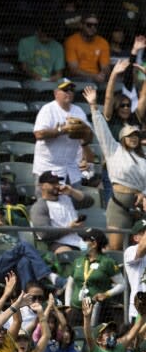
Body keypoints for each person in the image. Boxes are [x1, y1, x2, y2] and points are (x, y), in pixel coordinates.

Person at [85, 85, 146, 250]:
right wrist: (93, 106)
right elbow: (101, 129)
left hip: (140, 207)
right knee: (116, 247)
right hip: (119, 205)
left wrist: (144, 195)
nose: (133, 138)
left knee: (139, 248)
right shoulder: (113, 149)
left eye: (136, 135)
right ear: (122, 138)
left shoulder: (143, 157)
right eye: (129, 135)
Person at [0, 200, 62, 289]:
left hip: (14, 267)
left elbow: (27, 250)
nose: (0, 216)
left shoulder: (13, 230)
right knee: (23, 245)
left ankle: (27, 296)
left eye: (2, 213)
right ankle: (48, 275)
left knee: (24, 261)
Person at [32, 79, 93, 186]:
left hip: (71, 169)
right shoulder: (48, 109)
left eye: (71, 90)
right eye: (65, 90)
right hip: (48, 168)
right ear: (56, 93)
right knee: (48, 201)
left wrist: (85, 131)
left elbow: (89, 137)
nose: (69, 92)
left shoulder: (78, 111)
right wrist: (62, 130)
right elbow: (39, 134)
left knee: (73, 201)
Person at [29, 171, 89, 253]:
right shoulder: (39, 206)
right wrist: (69, 229)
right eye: (52, 183)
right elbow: (44, 233)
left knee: (102, 252)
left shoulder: (66, 198)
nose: (57, 185)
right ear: (42, 186)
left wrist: (72, 192)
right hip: (58, 243)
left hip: (79, 241)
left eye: (58, 182)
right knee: (67, 253)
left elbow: (89, 201)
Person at [64, 13, 110, 82]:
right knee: (88, 80)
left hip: (97, 77)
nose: (92, 28)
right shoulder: (71, 41)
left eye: (95, 25)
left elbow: (105, 66)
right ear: (81, 25)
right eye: (89, 25)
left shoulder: (103, 42)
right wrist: (94, 76)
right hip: (77, 78)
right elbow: (73, 70)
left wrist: (103, 74)